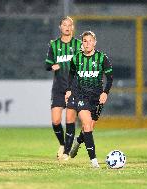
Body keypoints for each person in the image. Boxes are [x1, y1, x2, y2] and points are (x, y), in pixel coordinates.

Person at [65, 31, 113, 168]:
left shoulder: (102, 58)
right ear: (82, 43)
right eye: (85, 41)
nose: (87, 43)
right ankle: (94, 162)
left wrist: (105, 93)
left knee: (90, 127)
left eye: (90, 41)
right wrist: (69, 90)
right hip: (81, 96)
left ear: (94, 42)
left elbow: (109, 78)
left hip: (97, 97)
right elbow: (71, 74)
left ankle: (78, 141)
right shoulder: (76, 58)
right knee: (86, 125)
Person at [45, 16, 82, 160]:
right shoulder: (54, 45)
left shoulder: (78, 45)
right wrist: (52, 66)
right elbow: (47, 64)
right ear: (60, 27)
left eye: (70, 25)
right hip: (59, 87)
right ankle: (63, 143)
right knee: (55, 120)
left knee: (70, 120)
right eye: (64, 25)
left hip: (74, 87)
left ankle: (66, 152)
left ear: (73, 28)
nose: (67, 27)